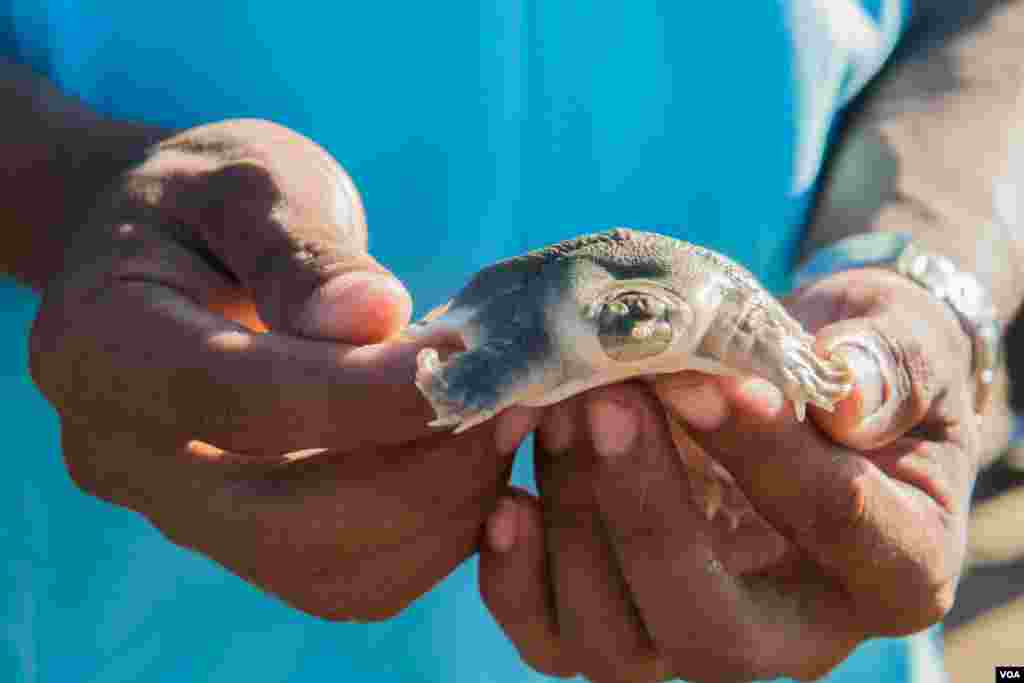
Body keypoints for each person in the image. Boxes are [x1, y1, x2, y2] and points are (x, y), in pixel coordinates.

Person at [1, 1, 1020, 681]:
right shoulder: (539, 311)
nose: (634, 337)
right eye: (624, 322)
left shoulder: (711, 306)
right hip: (121, 601)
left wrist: (914, 283)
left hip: (775, 549)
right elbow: (479, 349)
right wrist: (62, 186)